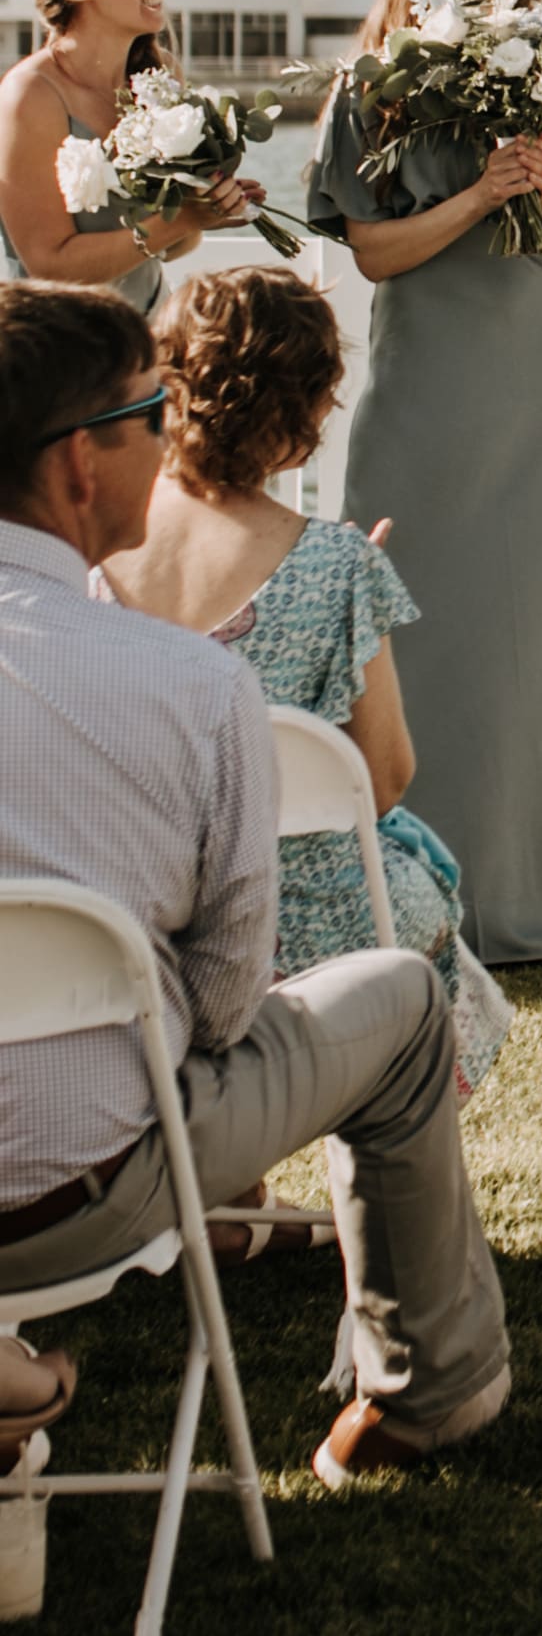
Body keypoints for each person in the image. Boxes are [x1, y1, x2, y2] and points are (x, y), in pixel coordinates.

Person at [0, 283, 510, 1484]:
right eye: (145, 414)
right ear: (81, 463)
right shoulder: (189, 689)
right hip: (93, 1183)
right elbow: (230, 1000)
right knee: (396, 998)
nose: (165, 431)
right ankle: (421, 1397)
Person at [91, 265, 509, 1104]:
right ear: (302, 411)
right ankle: (390, 1154)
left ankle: (233, 1184)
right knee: (421, 892)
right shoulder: (339, 564)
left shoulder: (97, 552)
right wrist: (342, 577)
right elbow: (383, 778)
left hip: (143, 907)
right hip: (312, 920)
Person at [306, 0, 542, 964]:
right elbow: (372, 251)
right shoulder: (375, 85)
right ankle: (413, 894)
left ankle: (540, 893)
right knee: (417, 621)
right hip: (427, 383)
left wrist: (535, 190)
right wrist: (480, 192)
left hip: (529, 376)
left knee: (528, 634)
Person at [0, 0, 261, 310]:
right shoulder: (30, 94)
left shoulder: (160, 77)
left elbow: (174, 247)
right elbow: (49, 265)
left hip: (147, 336)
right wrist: (185, 218)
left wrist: (208, 206)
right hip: (53, 351)